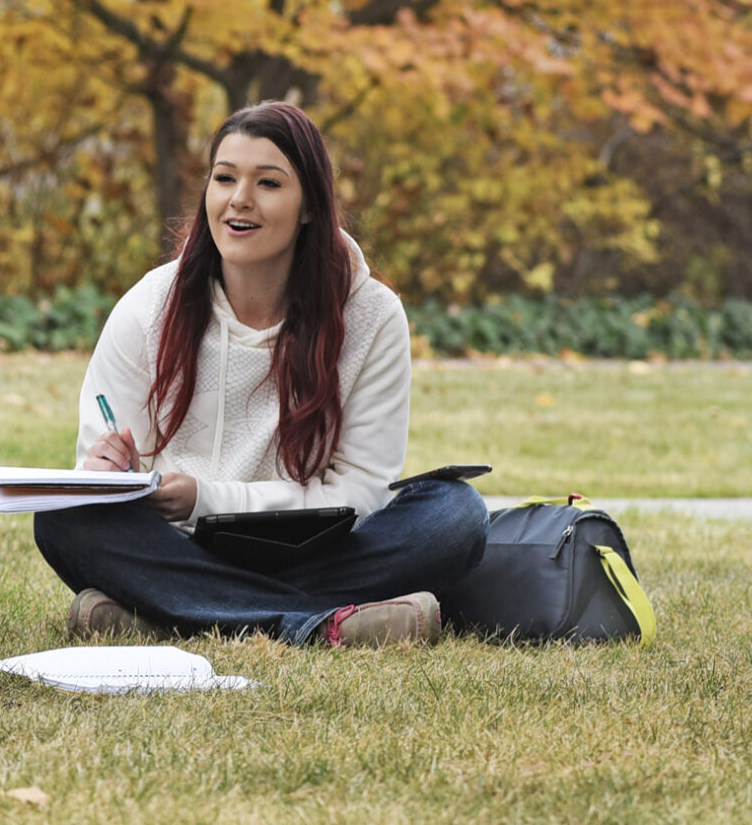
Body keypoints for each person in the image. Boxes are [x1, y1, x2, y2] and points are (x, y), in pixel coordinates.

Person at [31, 101, 487, 647]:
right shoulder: (149, 306)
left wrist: (208, 497)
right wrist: (106, 472)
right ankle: (317, 623)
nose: (239, 199)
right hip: (179, 545)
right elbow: (105, 470)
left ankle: (173, 613)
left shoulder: (371, 314)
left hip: (318, 548)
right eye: (224, 178)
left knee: (454, 515)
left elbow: (363, 491)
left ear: (310, 206)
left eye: (268, 183)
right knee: (62, 518)